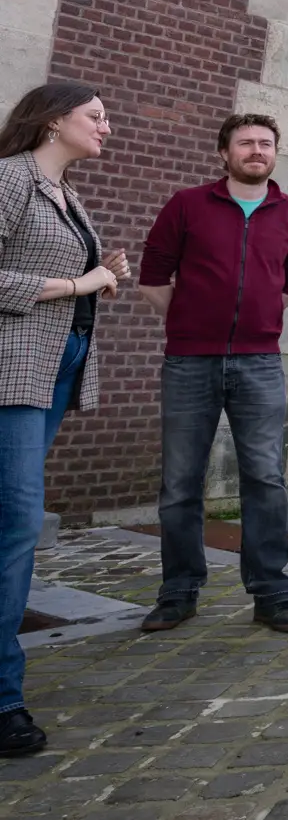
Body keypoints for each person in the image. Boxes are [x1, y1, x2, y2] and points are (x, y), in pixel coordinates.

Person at [137, 114, 288, 635]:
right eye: (246, 143)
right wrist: (192, 323)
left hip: (260, 363)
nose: (256, 151)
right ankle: (178, 592)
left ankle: (273, 594)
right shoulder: (187, 205)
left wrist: (257, 325)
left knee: (265, 480)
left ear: (275, 153)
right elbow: (152, 276)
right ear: (224, 152)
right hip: (189, 362)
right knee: (180, 483)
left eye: (265, 144)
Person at [0, 83, 127, 757]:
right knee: (18, 520)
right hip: (11, 370)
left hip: (56, 367)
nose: (106, 127)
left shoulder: (69, 195)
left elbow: (47, 269)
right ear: (54, 120)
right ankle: (3, 699)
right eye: (95, 117)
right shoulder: (10, 179)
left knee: (9, 520)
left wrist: (100, 270)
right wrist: (81, 284)